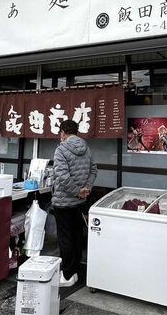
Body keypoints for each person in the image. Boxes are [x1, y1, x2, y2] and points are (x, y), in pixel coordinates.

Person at [52, 119, 97, 287]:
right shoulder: (86, 148)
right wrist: (86, 188)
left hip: (63, 202)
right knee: (77, 236)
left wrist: (78, 190)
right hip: (80, 201)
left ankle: (68, 275)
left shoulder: (61, 150)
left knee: (65, 238)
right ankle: (75, 271)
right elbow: (94, 170)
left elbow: (62, 177)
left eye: (60, 133)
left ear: (63, 132)